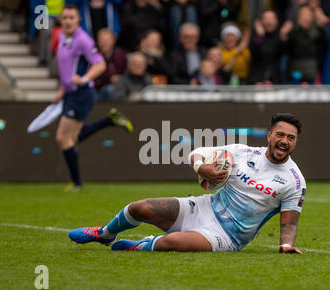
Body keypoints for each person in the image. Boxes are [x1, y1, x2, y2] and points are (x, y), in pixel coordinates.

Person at [68, 113, 306, 254]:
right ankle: (105, 233)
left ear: (295, 142)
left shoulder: (294, 181)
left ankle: (141, 246)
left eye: (290, 138)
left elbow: (289, 224)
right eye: (280, 135)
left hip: (226, 237)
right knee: (139, 207)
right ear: (269, 135)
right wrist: (202, 168)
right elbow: (197, 153)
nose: (284, 141)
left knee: (171, 242)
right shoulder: (242, 153)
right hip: (202, 207)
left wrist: (286, 244)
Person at [54, 4, 133, 191]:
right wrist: (61, 90)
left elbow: (100, 64)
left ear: (78, 19)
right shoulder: (63, 38)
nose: (67, 21)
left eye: (71, 18)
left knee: (63, 138)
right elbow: (67, 70)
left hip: (82, 93)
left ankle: (77, 184)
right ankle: (109, 121)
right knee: (70, 138)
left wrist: (84, 79)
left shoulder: (83, 40)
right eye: (64, 18)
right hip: (70, 93)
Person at [94, 28, 127, 99]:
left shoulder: (121, 55)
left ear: (113, 41)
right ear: (97, 41)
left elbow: (128, 73)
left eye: (107, 40)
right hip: (98, 89)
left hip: (119, 87)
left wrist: (121, 78)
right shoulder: (93, 56)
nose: (104, 43)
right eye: (102, 40)